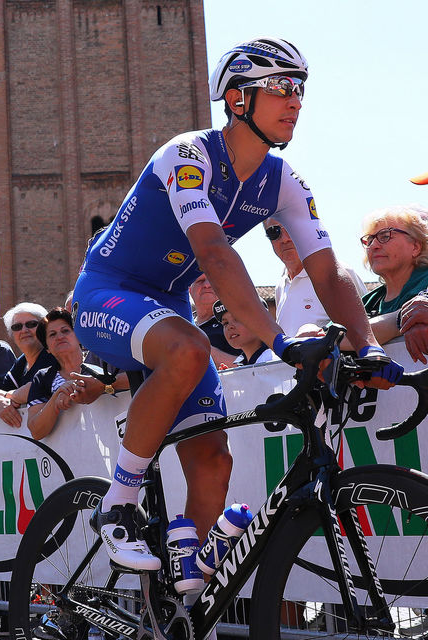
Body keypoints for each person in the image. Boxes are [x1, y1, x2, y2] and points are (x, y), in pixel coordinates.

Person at [71, 37, 402, 571]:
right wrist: (280, 341)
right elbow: (213, 252)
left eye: (301, 90)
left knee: (211, 459)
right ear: (237, 99)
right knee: (189, 347)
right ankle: (118, 506)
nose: (296, 101)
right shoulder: (187, 154)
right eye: (282, 87)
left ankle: (185, 592)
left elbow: (328, 272)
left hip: (167, 304)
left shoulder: (283, 181)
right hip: (107, 291)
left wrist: (366, 344)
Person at [263, 217, 367, 336]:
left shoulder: (338, 272)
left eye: (292, 229)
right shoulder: (281, 286)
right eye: (273, 232)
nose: (285, 239)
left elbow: (366, 332)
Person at [23, 308, 116, 439]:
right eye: (52, 334)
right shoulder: (43, 377)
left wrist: (101, 386)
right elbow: (36, 431)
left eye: (65, 330)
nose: (60, 337)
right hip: (70, 455)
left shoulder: (101, 359)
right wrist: (57, 397)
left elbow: (134, 380)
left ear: (78, 336)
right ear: (47, 348)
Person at [359, 205, 428, 363]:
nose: (374, 246)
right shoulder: (370, 301)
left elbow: (351, 334)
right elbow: (335, 336)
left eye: (385, 236)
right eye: (369, 239)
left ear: (416, 247)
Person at [0, 303, 59, 427]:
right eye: (17, 327)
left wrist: (6, 395)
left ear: (44, 328)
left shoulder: (53, 355)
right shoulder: (21, 364)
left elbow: (36, 388)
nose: (24, 330)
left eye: (31, 324)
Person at [188, 273, 242, 368]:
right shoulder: (182, 324)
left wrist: (203, 348)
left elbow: (247, 366)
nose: (207, 285)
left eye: (212, 280)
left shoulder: (238, 323)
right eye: (200, 281)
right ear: (189, 289)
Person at [212, 300, 276, 367]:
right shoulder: (240, 363)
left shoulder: (274, 361)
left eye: (237, 319)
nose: (229, 327)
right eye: (225, 323)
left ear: (261, 321)